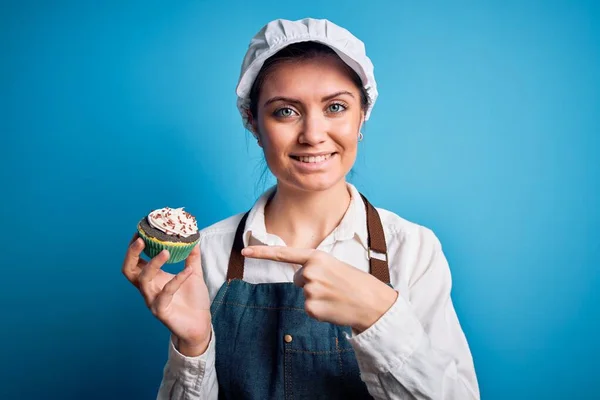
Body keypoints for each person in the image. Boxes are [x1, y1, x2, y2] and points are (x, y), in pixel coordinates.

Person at [122, 17, 480, 400]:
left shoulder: (413, 250)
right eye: (285, 111)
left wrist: (378, 315)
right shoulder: (206, 253)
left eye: (336, 107)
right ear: (253, 123)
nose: (312, 134)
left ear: (362, 116)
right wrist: (192, 345)